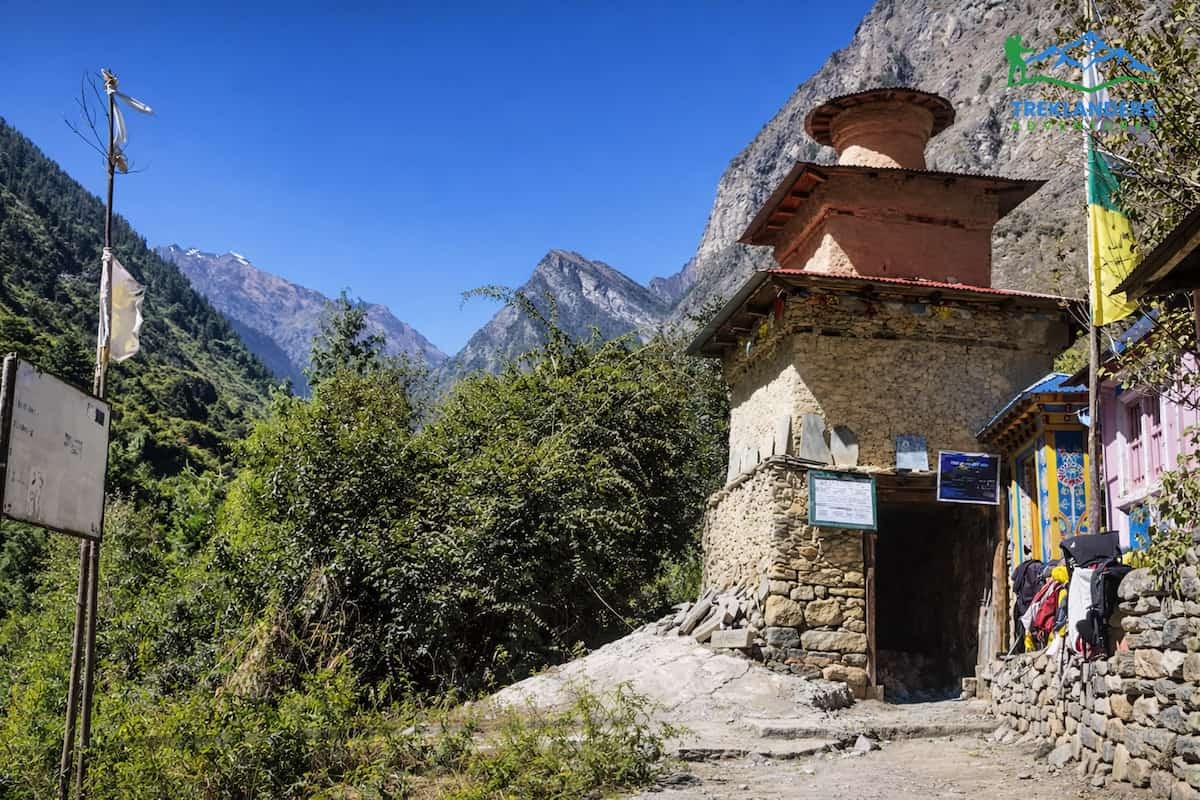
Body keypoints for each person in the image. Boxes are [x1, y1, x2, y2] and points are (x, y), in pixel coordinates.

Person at [1011, 543, 1044, 644]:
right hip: (1031, 602)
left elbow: (1014, 580)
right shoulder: (1035, 568)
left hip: (1024, 603)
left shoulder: (1022, 568)